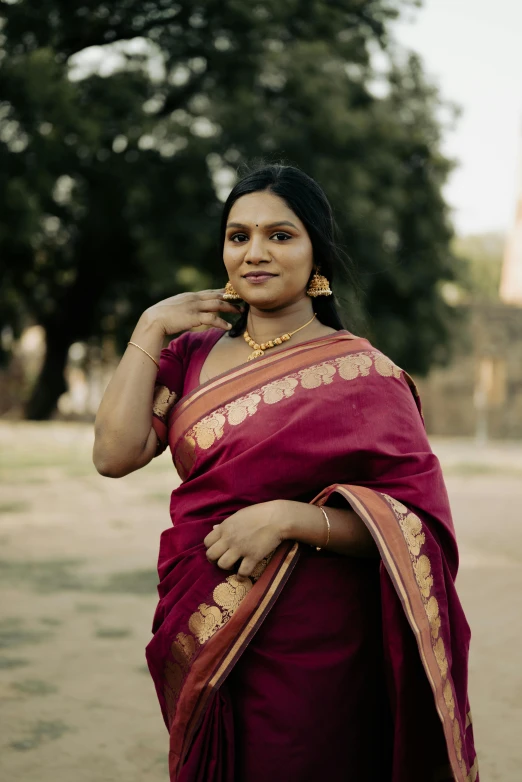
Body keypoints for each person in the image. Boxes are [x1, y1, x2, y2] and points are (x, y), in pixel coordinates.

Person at [93, 163, 479, 782]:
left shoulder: (366, 375)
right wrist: (150, 325)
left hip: (316, 645)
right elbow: (114, 455)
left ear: (315, 250)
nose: (255, 253)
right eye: (238, 235)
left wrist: (288, 519)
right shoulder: (189, 355)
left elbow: (420, 529)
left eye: (280, 235)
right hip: (204, 621)